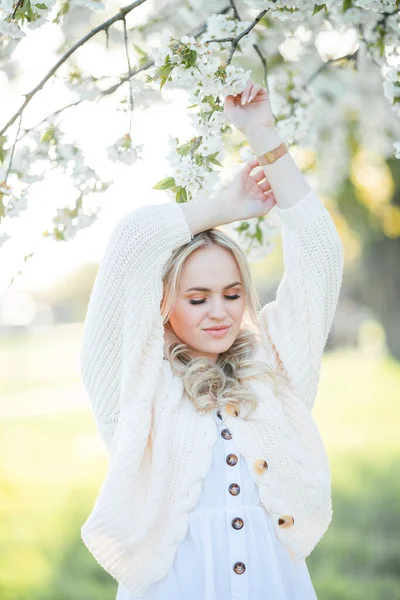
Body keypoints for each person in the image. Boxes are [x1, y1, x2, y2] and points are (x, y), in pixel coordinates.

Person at [79, 80, 344, 600]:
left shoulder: (273, 369)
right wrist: (224, 205)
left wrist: (263, 135)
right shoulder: (135, 388)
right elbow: (131, 245)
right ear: (164, 304)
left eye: (231, 293)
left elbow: (320, 256)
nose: (220, 312)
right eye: (196, 298)